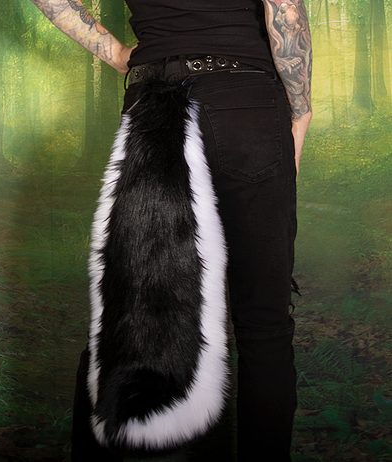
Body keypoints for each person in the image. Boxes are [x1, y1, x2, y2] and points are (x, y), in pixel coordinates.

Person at [29, 1, 312, 461]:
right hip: (246, 102)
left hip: (154, 104)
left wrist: (117, 53)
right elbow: (283, 6)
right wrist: (300, 109)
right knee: (265, 323)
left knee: (127, 307)